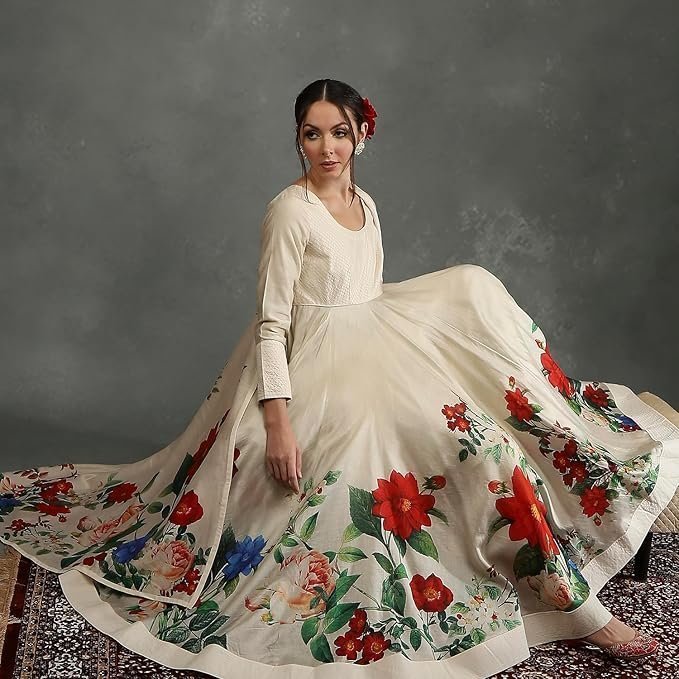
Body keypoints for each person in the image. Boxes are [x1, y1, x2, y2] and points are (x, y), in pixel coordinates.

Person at [0, 78, 677, 678]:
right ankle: (568, 610)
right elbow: (271, 324)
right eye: (311, 134)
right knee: (362, 465)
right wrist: (277, 421)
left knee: (490, 446)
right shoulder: (289, 211)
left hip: (383, 345)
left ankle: (569, 601)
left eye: (339, 133)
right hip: (312, 364)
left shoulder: (366, 202)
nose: (326, 148)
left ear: (361, 136)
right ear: (297, 138)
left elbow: (367, 290)